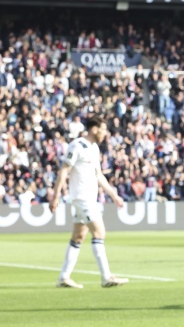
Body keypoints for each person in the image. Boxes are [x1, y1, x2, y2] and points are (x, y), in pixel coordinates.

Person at [48, 116, 129, 289]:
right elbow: (64, 171)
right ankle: (106, 277)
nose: (105, 133)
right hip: (81, 198)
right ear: (94, 129)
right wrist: (55, 196)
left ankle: (63, 277)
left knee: (78, 237)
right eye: (103, 129)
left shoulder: (94, 148)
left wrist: (114, 195)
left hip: (89, 198)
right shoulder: (76, 146)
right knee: (99, 232)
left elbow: (98, 175)